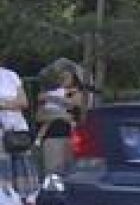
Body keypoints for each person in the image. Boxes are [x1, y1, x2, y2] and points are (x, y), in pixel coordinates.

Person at [35, 65, 86, 178]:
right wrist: (60, 116)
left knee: (71, 173)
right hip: (52, 135)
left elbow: (74, 104)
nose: (63, 77)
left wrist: (50, 98)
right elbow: (39, 117)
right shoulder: (47, 94)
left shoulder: (78, 93)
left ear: (74, 77)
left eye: (67, 75)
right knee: (53, 173)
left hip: (73, 135)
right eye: (60, 75)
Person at [0, 61, 32, 196]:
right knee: (4, 177)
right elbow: (18, 102)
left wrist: (2, 103)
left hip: (18, 131)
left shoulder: (11, 75)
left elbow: (24, 102)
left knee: (23, 175)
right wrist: (12, 103)